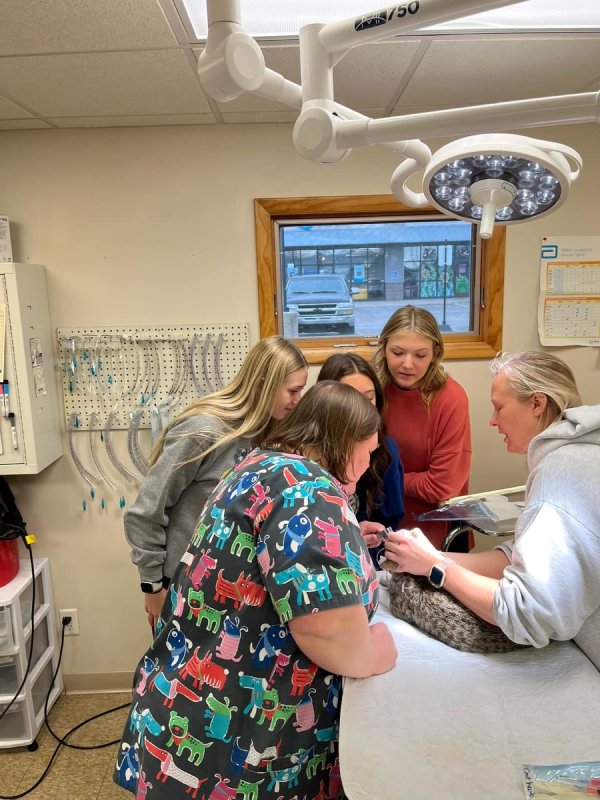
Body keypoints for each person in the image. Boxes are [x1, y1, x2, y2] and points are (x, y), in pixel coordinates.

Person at [113, 382, 398, 800]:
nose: (370, 461)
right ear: (342, 441)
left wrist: (352, 543)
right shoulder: (309, 491)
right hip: (238, 744)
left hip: (184, 697)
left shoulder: (259, 465)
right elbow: (330, 635)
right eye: (368, 450)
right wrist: (374, 651)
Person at [382, 351, 600, 670]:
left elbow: (526, 613)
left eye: (499, 407)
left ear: (537, 403)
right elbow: (519, 556)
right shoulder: (580, 456)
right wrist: (422, 557)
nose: (492, 421)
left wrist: (436, 567)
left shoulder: (561, 477)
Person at [125, 335, 308, 629]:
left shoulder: (266, 435)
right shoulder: (204, 430)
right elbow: (145, 513)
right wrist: (152, 588)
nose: (298, 400)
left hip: (235, 588)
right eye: (293, 390)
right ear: (263, 384)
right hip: (184, 586)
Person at [372, 305, 472, 550]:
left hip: (434, 528)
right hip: (376, 524)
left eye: (420, 355)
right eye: (398, 352)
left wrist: (385, 478)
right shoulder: (372, 390)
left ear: (435, 353)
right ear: (383, 346)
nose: (407, 364)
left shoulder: (451, 398)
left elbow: (443, 485)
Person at [317, 352, 405, 530]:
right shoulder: (307, 454)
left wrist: (361, 540)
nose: (363, 408)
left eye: (369, 397)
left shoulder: (386, 452)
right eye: (352, 399)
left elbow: (389, 527)